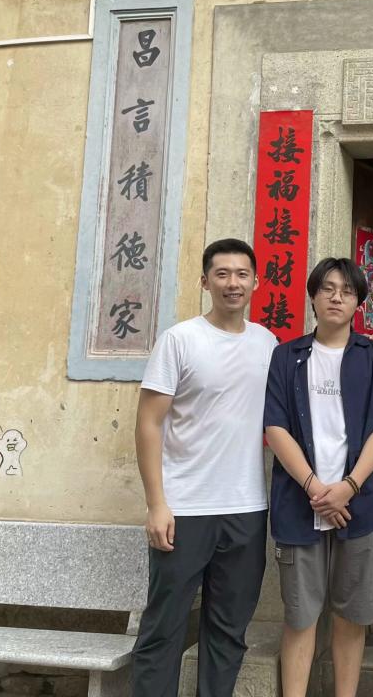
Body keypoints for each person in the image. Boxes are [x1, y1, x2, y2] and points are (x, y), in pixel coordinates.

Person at [132, 238, 278, 697]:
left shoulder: (267, 343)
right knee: (165, 628)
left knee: (229, 631)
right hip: (185, 507)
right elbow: (149, 423)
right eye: (222, 274)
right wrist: (157, 504)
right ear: (204, 281)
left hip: (246, 508)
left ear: (256, 282)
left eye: (242, 274)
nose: (233, 283)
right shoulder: (180, 340)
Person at [263, 257, 373, 697]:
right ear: (313, 297)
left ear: (359, 301)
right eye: (327, 288)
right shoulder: (286, 355)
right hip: (299, 502)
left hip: (360, 504)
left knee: (351, 617)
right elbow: (275, 427)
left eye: (347, 290)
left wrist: (348, 487)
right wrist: (314, 486)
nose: (336, 297)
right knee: (300, 616)